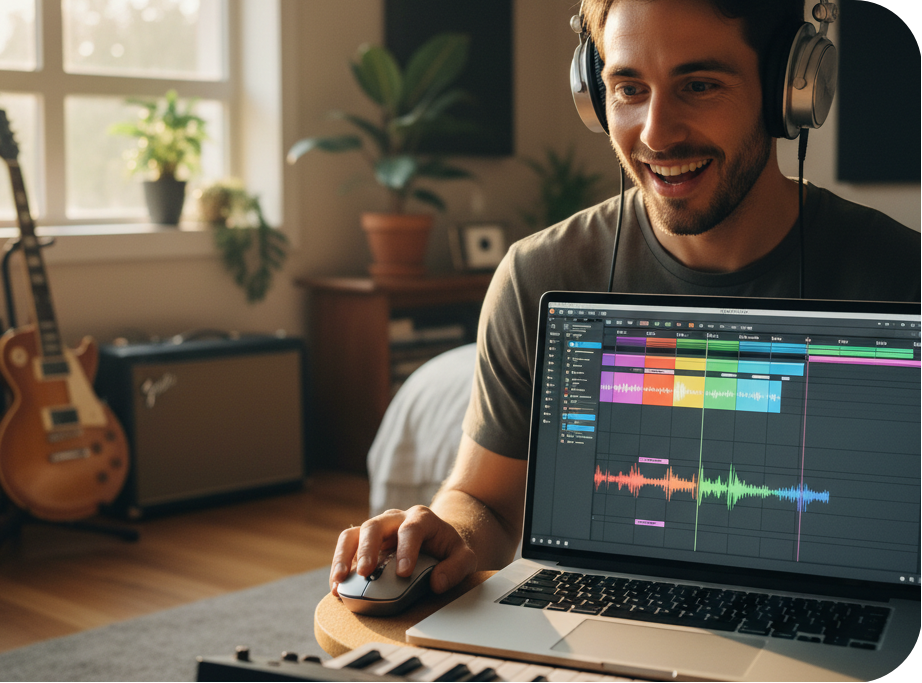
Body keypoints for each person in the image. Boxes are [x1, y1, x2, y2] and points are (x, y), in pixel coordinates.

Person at [329, 0, 922, 598]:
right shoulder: (538, 274)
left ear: (785, 91)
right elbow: (485, 501)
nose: (655, 133)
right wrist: (450, 532)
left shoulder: (903, 278)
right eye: (629, 87)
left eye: (699, 85)